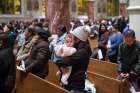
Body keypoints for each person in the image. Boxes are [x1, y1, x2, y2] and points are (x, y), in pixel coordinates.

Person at [56, 25, 92, 93]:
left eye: (73, 36)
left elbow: (64, 62)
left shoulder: (82, 52)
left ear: (77, 38)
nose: (72, 37)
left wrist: (58, 62)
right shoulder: (78, 48)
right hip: (73, 82)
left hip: (75, 85)